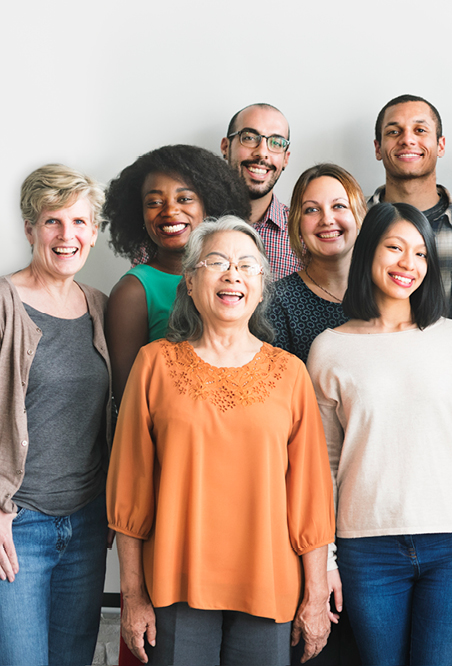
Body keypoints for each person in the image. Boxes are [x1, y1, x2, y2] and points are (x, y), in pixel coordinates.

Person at [107, 217, 336, 666]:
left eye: (248, 265)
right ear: (190, 282)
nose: (233, 274)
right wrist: (131, 596)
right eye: (217, 262)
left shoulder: (289, 372)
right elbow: (129, 493)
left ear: (260, 287)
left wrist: (315, 596)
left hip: (269, 586)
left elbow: (309, 497)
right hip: (174, 586)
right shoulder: (153, 364)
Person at [309, 202, 452, 665]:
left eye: (420, 254)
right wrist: (326, 558)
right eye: (394, 248)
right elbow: (323, 465)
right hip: (366, 546)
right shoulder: (329, 348)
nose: (407, 264)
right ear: (368, 250)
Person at [0, 164, 112, 665]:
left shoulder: (100, 307)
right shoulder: (5, 303)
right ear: (30, 228)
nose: (68, 236)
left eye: (80, 222)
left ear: (94, 232)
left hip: (87, 523)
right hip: (17, 526)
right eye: (53, 221)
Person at [103, 144, 250, 408]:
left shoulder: (236, 280)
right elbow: (128, 401)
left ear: (209, 205)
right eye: (154, 202)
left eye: (184, 199)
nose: (169, 210)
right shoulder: (134, 291)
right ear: (139, 214)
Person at [369, 94, 452, 318]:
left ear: (440, 145)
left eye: (420, 130)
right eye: (394, 132)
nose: (407, 140)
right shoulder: (351, 224)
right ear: (378, 148)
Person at [267, 164, 366, 363]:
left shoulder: (385, 290)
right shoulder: (276, 302)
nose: (327, 219)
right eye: (312, 210)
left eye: (339, 206)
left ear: (359, 216)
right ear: (297, 224)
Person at [221, 102, 301, 279]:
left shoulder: (304, 235)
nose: (262, 153)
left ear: (285, 158)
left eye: (276, 142)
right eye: (249, 137)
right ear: (226, 147)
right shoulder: (192, 223)